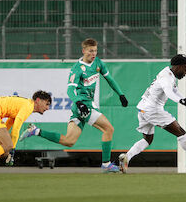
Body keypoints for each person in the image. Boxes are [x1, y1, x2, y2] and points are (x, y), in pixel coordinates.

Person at [19, 38, 128, 173]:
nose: (93, 54)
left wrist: (121, 94)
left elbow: (110, 79)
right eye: (90, 51)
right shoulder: (77, 69)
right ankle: (106, 164)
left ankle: (36, 131)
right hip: (83, 105)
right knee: (108, 129)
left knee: (69, 141)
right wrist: (79, 103)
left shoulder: (98, 62)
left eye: (95, 51)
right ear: (83, 51)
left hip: (83, 107)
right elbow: (70, 90)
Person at [118, 54, 186, 173]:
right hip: (152, 110)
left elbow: (174, 90)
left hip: (143, 108)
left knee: (147, 139)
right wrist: (181, 101)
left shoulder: (167, 72)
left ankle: (127, 157)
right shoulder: (166, 78)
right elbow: (169, 92)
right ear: (178, 66)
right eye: (185, 69)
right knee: (181, 132)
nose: (185, 73)